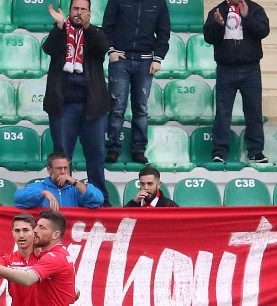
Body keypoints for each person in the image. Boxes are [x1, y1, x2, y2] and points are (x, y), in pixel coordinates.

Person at [42, 0, 112, 205]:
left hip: (93, 106)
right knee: (62, 156)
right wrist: (59, 26)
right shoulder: (60, 31)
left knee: (96, 155)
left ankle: (99, 200)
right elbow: (49, 48)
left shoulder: (96, 33)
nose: (78, 13)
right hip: (63, 105)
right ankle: (64, 200)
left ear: (89, 13)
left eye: (83, 9)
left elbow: (102, 48)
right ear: (69, 11)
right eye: (75, 9)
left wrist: (88, 28)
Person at [102, 0, 171, 166]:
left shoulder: (159, 3)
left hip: (146, 61)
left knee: (140, 108)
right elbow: (107, 26)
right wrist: (111, 50)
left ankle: (138, 150)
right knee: (117, 106)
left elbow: (164, 32)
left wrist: (158, 58)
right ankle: (113, 148)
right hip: (120, 59)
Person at [203, 0, 270, 164]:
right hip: (226, 69)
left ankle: (256, 151)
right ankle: (219, 151)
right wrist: (218, 25)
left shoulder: (255, 9)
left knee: (254, 111)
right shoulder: (217, 11)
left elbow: (263, 31)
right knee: (223, 113)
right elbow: (208, 38)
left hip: (251, 68)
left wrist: (247, 17)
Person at [14, 153, 105, 210]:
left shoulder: (76, 189)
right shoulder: (41, 186)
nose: (63, 172)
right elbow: (18, 198)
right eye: (59, 168)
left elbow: (98, 200)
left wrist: (75, 182)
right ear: (49, 170)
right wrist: (43, 194)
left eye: (65, 168)